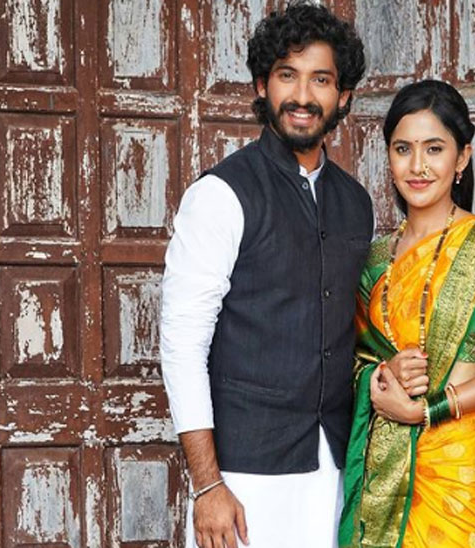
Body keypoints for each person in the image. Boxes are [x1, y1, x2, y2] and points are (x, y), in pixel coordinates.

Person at [160, 3, 373, 547]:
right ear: (262, 85)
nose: (303, 96)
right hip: (243, 477)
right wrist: (208, 485)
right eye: (287, 75)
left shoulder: (356, 203)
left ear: (343, 96)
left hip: (333, 467)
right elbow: (182, 344)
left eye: (320, 79)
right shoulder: (220, 195)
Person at [339, 80, 475, 548]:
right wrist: (382, 372)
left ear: (462, 158)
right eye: (403, 149)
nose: (417, 166)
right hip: (385, 467)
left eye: (434, 149)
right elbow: (351, 360)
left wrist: (424, 410)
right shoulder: (374, 260)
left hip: (459, 470)